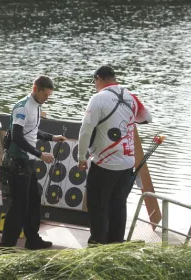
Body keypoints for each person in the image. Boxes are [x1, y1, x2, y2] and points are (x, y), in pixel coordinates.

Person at [77, 65, 152, 245]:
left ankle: (97, 242)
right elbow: (147, 118)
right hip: (128, 163)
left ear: (98, 79)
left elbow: (85, 131)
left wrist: (81, 157)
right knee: (118, 204)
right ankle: (116, 242)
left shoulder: (98, 98)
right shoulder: (130, 96)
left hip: (105, 163)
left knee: (97, 204)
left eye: (94, 81)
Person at [0, 76, 67, 250]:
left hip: (27, 162)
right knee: (18, 206)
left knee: (33, 199)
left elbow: (32, 131)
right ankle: (6, 246)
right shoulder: (22, 107)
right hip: (17, 162)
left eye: (49, 96)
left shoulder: (35, 106)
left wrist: (52, 138)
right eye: (45, 95)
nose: (47, 99)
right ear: (35, 88)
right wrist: (39, 154)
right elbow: (17, 136)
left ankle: (32, 239)